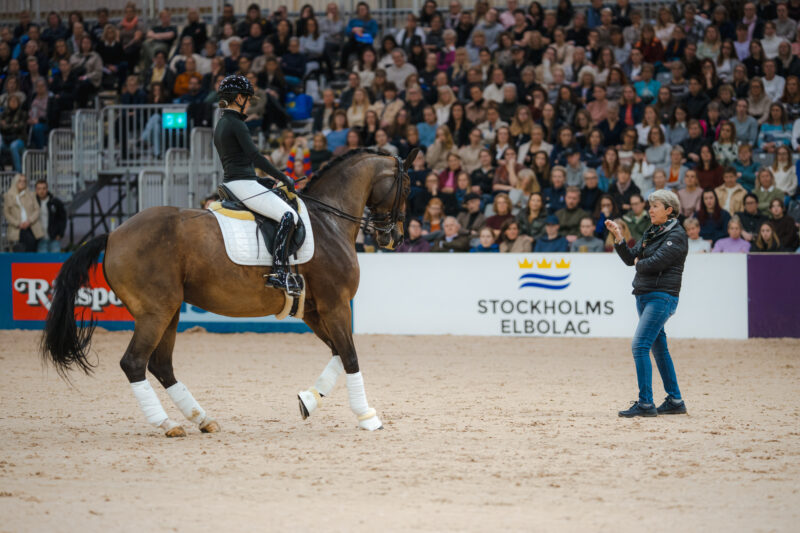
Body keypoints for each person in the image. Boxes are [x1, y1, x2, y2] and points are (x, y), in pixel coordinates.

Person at [212, 75, 300, 296]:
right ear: (239, 98)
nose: (249, 103)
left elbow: (237, 162)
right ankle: (279, 272)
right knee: (289, 216)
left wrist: (262, 180)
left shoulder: (222, 123)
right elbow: (254, 156)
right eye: (248, 99)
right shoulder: (237, 123)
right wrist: (284, 177)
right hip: (242, 184)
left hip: (235, 181)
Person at [607, 189, 687, 417]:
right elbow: (630, 258)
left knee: (640, 345)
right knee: (658, 348)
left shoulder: (677, 235)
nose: (650, 210)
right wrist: (619, 237)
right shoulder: (654, 231)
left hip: (662, 296)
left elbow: (655, 263)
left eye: (655, 206)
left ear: (669, 210)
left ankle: (645, 403)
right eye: (650, 206)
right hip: (645, 295)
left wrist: (638, 261)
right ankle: (675, 400)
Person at [3, 174, 44, 252]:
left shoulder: (31, 195)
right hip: (17, 229)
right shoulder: (8, 196)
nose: (22, 183)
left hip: (32, 228)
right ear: (15, 182)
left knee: (32, 252)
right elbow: (7, 213)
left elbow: (37, 209)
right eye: (20, 181)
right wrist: (18, 223)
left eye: (24, 181)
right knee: (18, 254)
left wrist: (29, 221)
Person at [34, 179, 67, 253]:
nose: (41, 191)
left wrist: (60, 234)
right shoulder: (33, 203)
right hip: (40, 238)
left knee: (55, 262)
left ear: (47, 189)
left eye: (44, 188)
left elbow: (63, 218)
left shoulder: (55, 202)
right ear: (36, 190)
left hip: (54, 238)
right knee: (41, 263)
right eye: (39, 189)